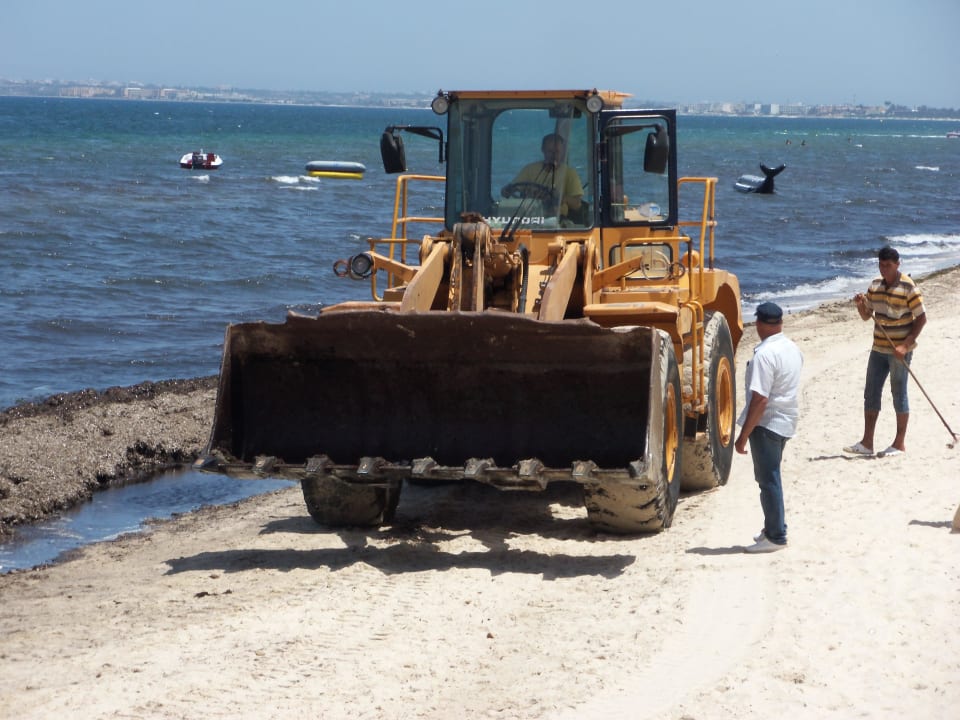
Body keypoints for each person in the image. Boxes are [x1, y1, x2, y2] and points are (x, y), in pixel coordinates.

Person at [844, 245, 927, 457]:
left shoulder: (909, 287)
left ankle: (899, 444)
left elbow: (921, 318)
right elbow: (866, 316)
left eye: (888, 265)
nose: (884, 269)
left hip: (900, 350)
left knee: (898, 393)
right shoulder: (875, 285)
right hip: (878, 348)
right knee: (871, 392)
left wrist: (905, 345)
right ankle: (867, 443)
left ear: (898, 264)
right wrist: (860, 305)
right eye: (881, 265)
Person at [735, 301, 803, 553]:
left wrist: (743, 435)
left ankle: (776, 536)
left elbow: (760, 399)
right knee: (771, 477)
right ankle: (772, 527)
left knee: (768, 480)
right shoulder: (792, 348)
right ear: (780, 323)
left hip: (768, 424)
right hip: (786, 420)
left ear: (759, 324)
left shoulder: (764, 355)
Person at [501, 133, 583, 220]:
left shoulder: (569, 173)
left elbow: (577, 204)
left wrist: (561, 198)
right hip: (529, 218)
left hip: (558, 220)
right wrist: (507, 190)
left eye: (557, 152)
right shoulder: (530, 170)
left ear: (562, 152)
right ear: (543, 150)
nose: (553, 155)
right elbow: (512, 189)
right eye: (550, 151)